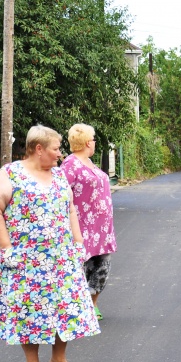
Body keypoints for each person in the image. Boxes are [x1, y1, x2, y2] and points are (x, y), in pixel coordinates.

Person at [0, 125, 100, 362]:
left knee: (66, 307)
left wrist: (79, 242)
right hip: (26, 261)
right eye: (56, 149)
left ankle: (59, 361)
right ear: (39, 149)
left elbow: (70, 209)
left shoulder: (59, 176)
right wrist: (6, 249)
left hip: (61, 258)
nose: (60, 154)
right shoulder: (11, 173)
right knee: (30, 309)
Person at [61, 123, 117, 321]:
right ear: (87, 142)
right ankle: (79, 306)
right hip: (82, 226)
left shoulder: (90, 163)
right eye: (93, 139)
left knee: (102, 268)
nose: (94, 142)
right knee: (81, 268)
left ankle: (93, 305)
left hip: (101, 229)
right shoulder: (70, 165)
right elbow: (61, 195)